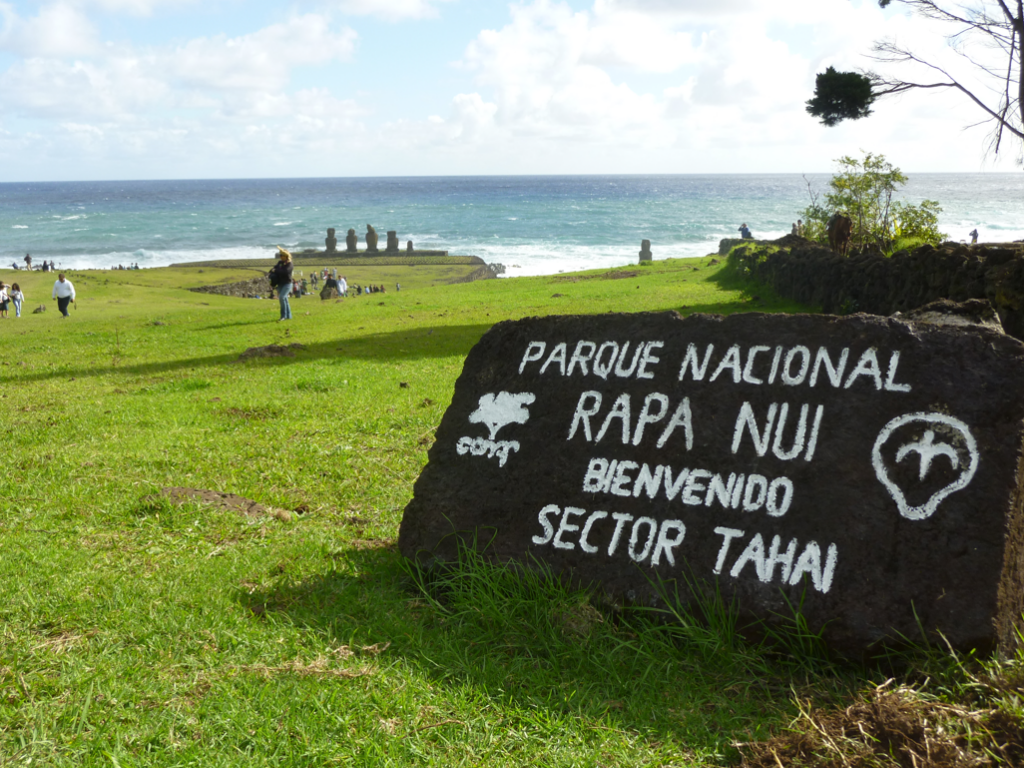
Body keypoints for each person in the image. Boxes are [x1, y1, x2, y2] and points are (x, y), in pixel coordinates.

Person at [268, 246, 293, 321]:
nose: (280, 257)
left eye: (281, 255)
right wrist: (274, 270)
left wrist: (275, 270)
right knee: (285, 299)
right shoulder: (280, 263)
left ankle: (283, 316)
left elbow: (285, 272)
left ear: (285, 256)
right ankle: (289, 316)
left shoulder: (289, 264)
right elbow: (273, 269)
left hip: (287, 284)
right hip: (280, 283)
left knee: (282, 297)